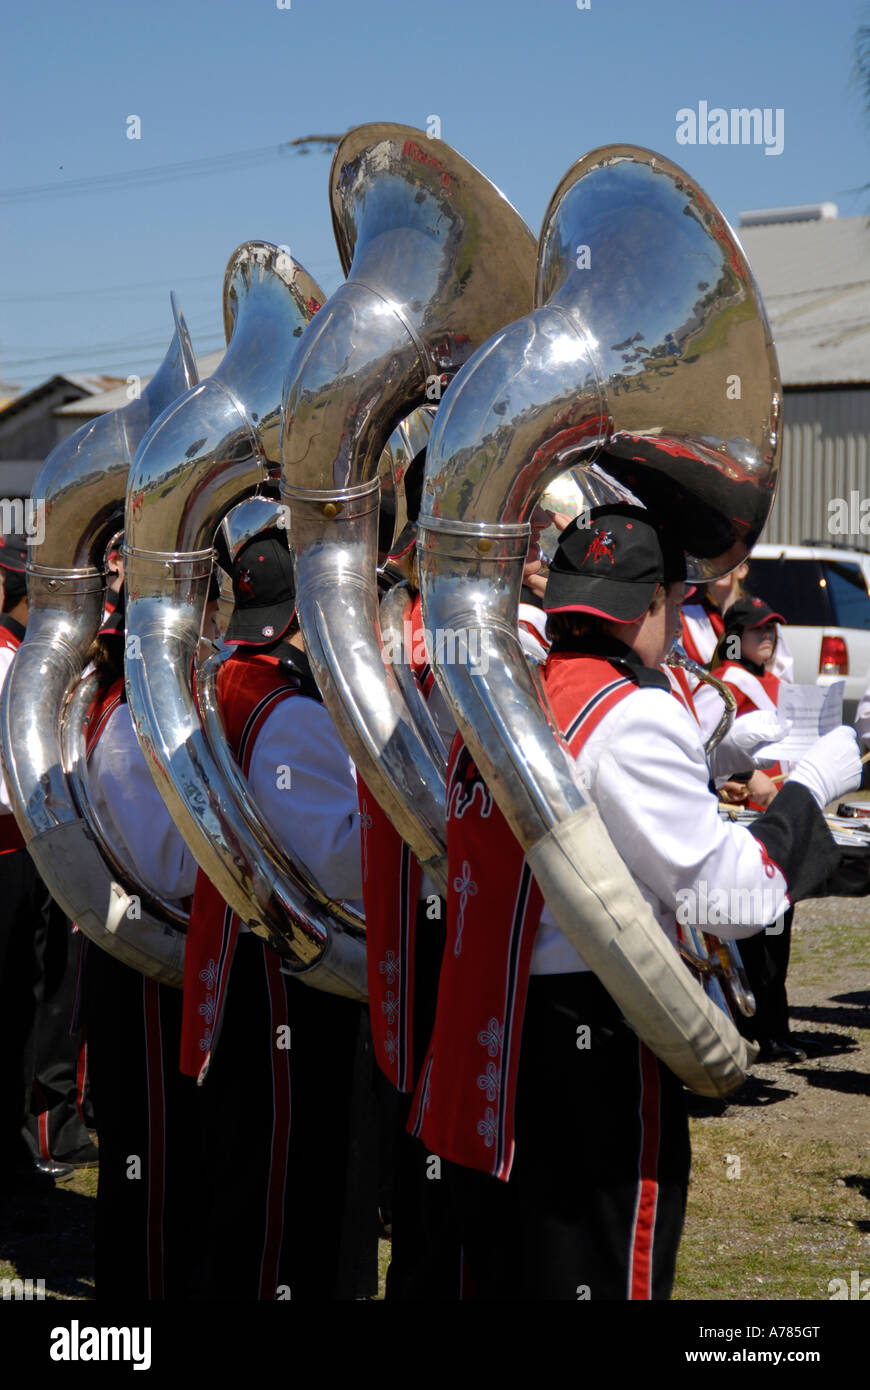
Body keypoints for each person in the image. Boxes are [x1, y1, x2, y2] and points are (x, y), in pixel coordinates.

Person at [411, 503, 865, 1300]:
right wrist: (814, 784)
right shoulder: (634, 712)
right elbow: (734, 895)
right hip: (590, 1045)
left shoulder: (510, 697)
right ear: (651, 604)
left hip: (488, 1046)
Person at [179, 525, 378, 1300]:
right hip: (287, 981)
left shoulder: (214, 681)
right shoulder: (289, 709)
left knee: (243, 1174)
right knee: (294, 1183)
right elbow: (338, 859)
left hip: (229, 962)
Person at [83, 589, 202, 1297]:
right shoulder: (133, 720)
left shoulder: (144, 708)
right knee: (155, 1165)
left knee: (174, 1159)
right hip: (144, 965)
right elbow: (170, 866)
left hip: (154, 957)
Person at [0, 532, 93, 1195]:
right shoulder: (13, 661)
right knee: (13, 1000)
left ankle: (27, 1141)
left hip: (28, 839)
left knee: (29, 997)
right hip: (11, 841)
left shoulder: (21, 657)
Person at [707, 596, 804, 1062]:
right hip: (745, 825)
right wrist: (737, 781)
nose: (767, 637)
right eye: (756, 630)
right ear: (732, 638)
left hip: (778, 815)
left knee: (779, 925)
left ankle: (776, 1026)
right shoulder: (724, 684)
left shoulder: (775, 682)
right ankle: (754, 1027)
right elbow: (710, 749)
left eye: (772, 630)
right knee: (753, 931)